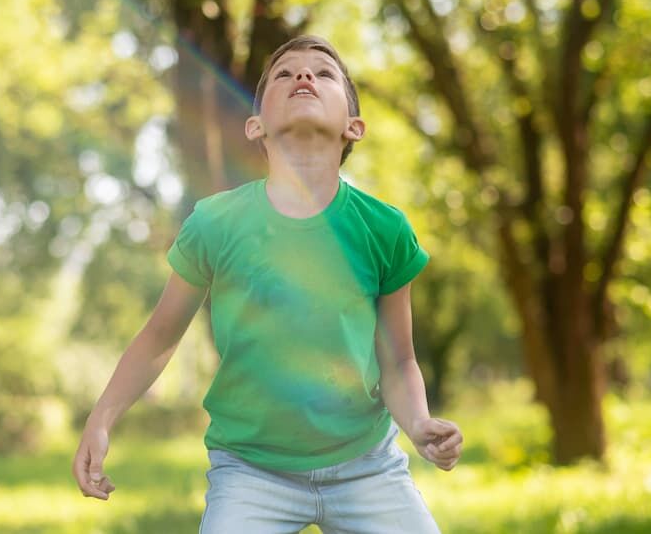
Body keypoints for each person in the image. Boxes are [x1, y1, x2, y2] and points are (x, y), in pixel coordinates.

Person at [71, 35, 463, 533]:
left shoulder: (383, 230)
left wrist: (420, 423)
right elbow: (159, 336)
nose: (304, 76)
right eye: (285, 73)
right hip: (251, 473)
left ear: (354, 126)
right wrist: (101, 419)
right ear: (255, 125)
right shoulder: (215, 223)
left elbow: (399, 360)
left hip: (367, 466)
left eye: (323, 73)